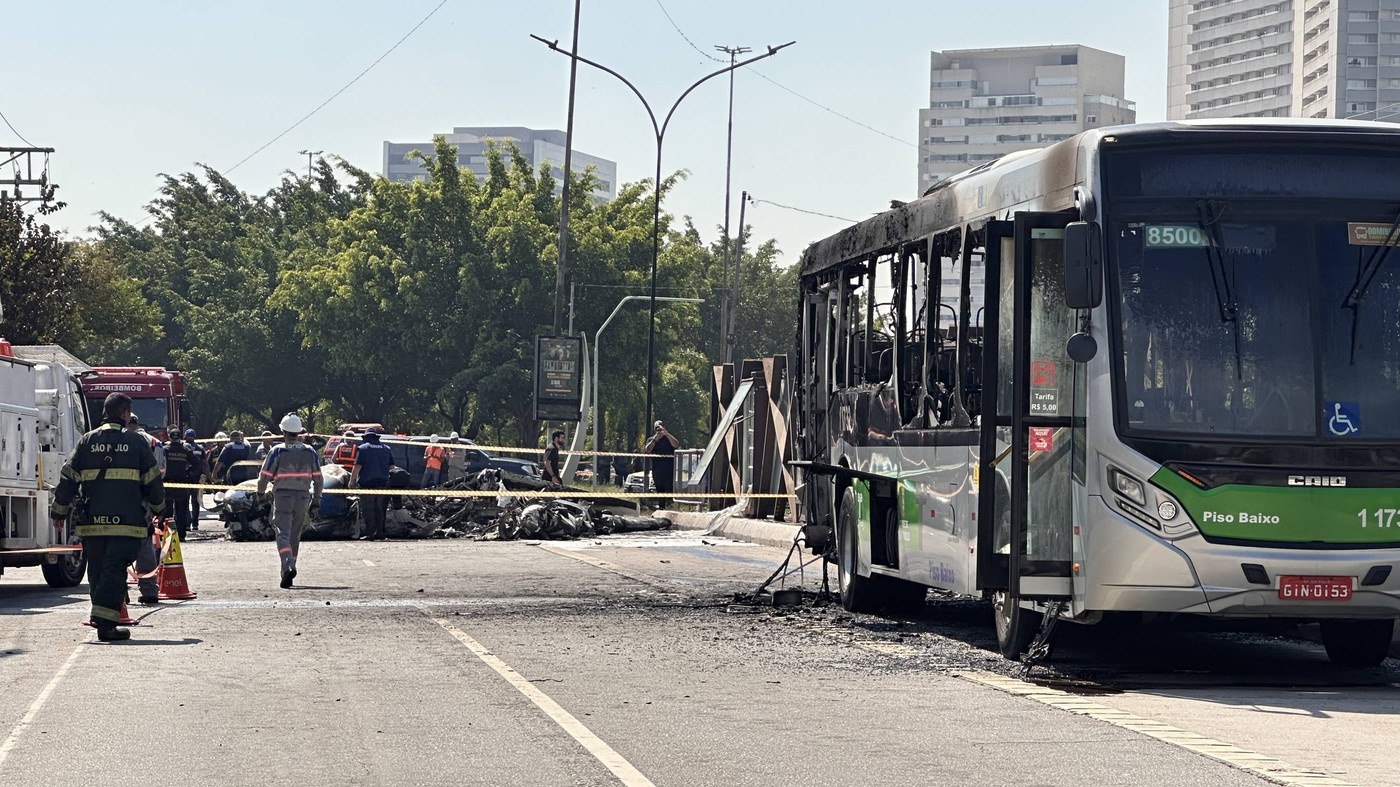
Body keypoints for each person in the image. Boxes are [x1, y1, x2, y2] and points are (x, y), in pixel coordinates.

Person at [49, 393, 164, 641]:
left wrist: (58, 512)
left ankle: (100, 617)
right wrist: (159, 511)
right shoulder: (136, 442)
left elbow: (68, 479)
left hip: (92, 524)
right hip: (126, 524)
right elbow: (152, 482)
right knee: (113, 570)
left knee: (99, 570)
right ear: (124, 414)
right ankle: (106, 625)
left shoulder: (87, 441)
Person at [257, 413, 323, 589]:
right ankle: (289, 569)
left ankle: (287, 564)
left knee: (282, 532)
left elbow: (264, 476)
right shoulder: (310, 451)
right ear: (299, 432)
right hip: (303, 497)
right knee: (295, 535)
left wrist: (260, 494)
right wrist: (316, 500)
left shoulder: (278, 450)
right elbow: (318, 479)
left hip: (283, 496)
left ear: (283, 431)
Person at [349, 428, 393, 541]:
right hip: (382, 483)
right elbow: (391, 466)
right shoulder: (386, 449)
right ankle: (380, 532)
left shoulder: (363, 449)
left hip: (367, 483)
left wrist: (352, 480)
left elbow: (357, 466)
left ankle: (370, 533)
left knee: (368, 509)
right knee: (379, 508)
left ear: (366, 438)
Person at [162, 425, 200, 543]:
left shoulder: (165, 449)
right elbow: (197, 464)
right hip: (182, 484)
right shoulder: (185, 449)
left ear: (169, 436)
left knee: (167, 511)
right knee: (181, 510)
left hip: (168, 484)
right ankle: (181, 535)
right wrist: (190, 476)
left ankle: (167, 535)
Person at [643, 420, 680, 508]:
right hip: (657, 469)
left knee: (669, 489)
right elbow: (647, 450)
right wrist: (654, 439)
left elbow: (676, 445)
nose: (659, 430)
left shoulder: (669, 438)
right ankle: (661, 507)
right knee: (660, 490)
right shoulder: (651, 440)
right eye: (656, 429)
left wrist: (666, 434)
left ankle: (670, 507)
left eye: (660, 428)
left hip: (669, 469)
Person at [185, 429, 206, 530]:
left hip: (185, 477)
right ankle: (195, 523)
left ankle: (187, 523)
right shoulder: (200, 448)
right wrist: (208, 476)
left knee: (185, 501)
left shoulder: (182, 447)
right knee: (195, 501)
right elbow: (205, 464)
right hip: (196, 478)